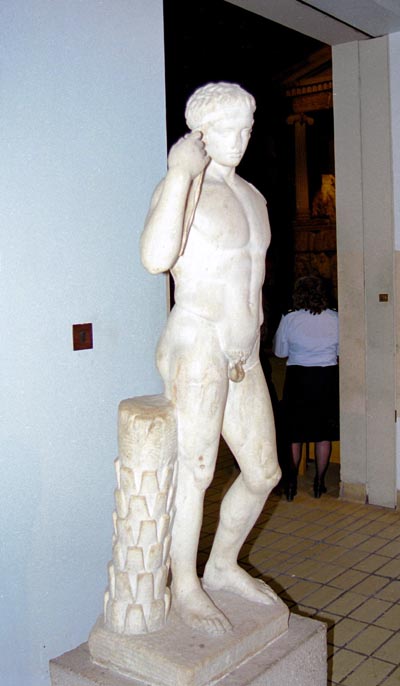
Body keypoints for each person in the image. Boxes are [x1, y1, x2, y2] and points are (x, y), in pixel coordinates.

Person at [140, 82, 281, 635]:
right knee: (196, 471)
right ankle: (185, 584)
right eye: (230, 130)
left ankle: (220, 566)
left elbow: (255, 281)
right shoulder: (186, 187)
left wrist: (251, 340)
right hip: (197, 341)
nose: (242, 139)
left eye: (247, 128)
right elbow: (155, 258)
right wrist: (179, 173)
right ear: (200, 135)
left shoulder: (252, 195)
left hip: (241, 351)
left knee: (263, 470)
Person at [273, 276, 339, 501]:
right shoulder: (335, 317)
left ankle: (291, 484)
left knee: (295, 435)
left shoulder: (290, 318)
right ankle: (319, 482)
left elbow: (280, 352)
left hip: (298, 378)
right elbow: (341, 348)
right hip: (326, 378)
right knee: (323, 435)